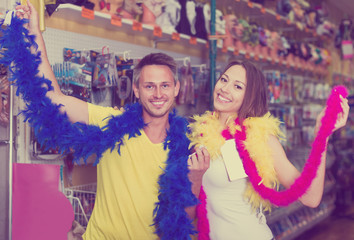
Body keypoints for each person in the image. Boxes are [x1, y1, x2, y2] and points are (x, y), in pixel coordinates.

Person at [10, 1, 210, 239]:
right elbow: (53, 97)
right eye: (149, 86)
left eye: (165, 85)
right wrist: (34, 32)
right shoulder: (111, 123)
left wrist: (195, 176)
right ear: (136, 90)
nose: (158, 94)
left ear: (176, 88)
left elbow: (184, 221)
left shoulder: (186, 145)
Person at [187, 60, 350, 240]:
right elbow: (191, 210)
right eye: (224, 80)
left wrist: (322, 134)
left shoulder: (260, 138)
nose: (225, 88)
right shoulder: (201, 133)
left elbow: (310, 198)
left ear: (250, 96)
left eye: (238, 86)